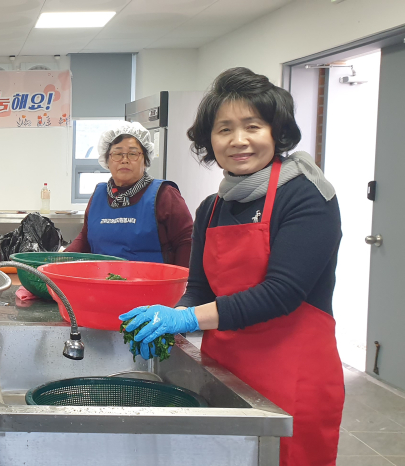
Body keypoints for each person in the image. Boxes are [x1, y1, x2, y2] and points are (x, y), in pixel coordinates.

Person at [120, 67, 343, 465]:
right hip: (226, 372)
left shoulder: (307, 196)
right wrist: (172, 317)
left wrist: (186, 319)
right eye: (224, 129)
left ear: (276, 132)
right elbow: (200, 289)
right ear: (210, 140)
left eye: (252, 126)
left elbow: (282, 294)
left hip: (293, 376)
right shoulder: (212, 207)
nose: (239, 140)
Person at [65, 122, 193, 266]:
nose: (124, 160)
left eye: (133, 154)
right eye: (117, 154)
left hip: (151, 280)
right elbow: (85, 239)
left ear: (145, 160)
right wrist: (59, 261)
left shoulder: (165, 195)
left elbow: (186, 241)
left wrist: (182, 278)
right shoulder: (98, 195)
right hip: (101, 278)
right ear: (107, 160)